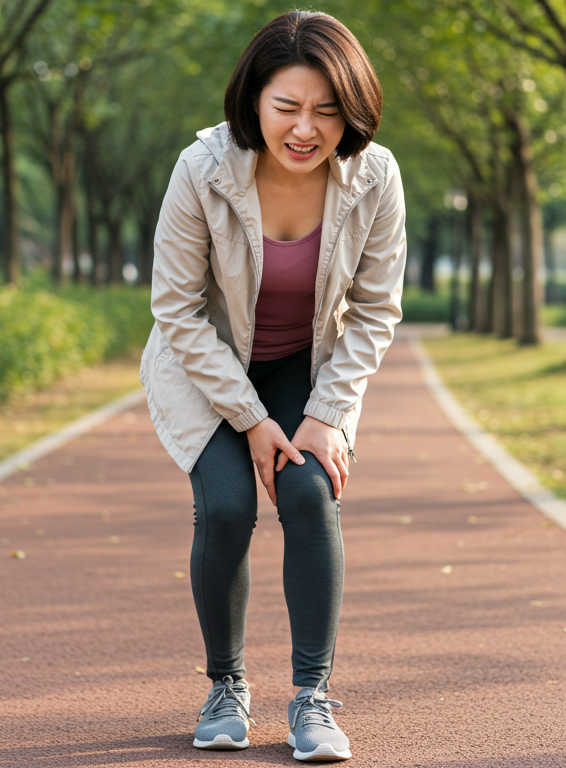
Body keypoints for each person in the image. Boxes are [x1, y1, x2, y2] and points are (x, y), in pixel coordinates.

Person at [140, 9, 406, 763]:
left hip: (306, 362)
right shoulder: (202, 169)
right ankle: (226, 686)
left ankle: (312, 699)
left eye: (326, 110)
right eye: (287, 107)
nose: (305, 128)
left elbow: (378, 310)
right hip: (207, 362)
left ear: (350, 110)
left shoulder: (376, 176)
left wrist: (326, 414)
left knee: (309, 493)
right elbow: (176, 310)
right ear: (254, 101)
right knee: (225, 508)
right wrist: (252, 420)